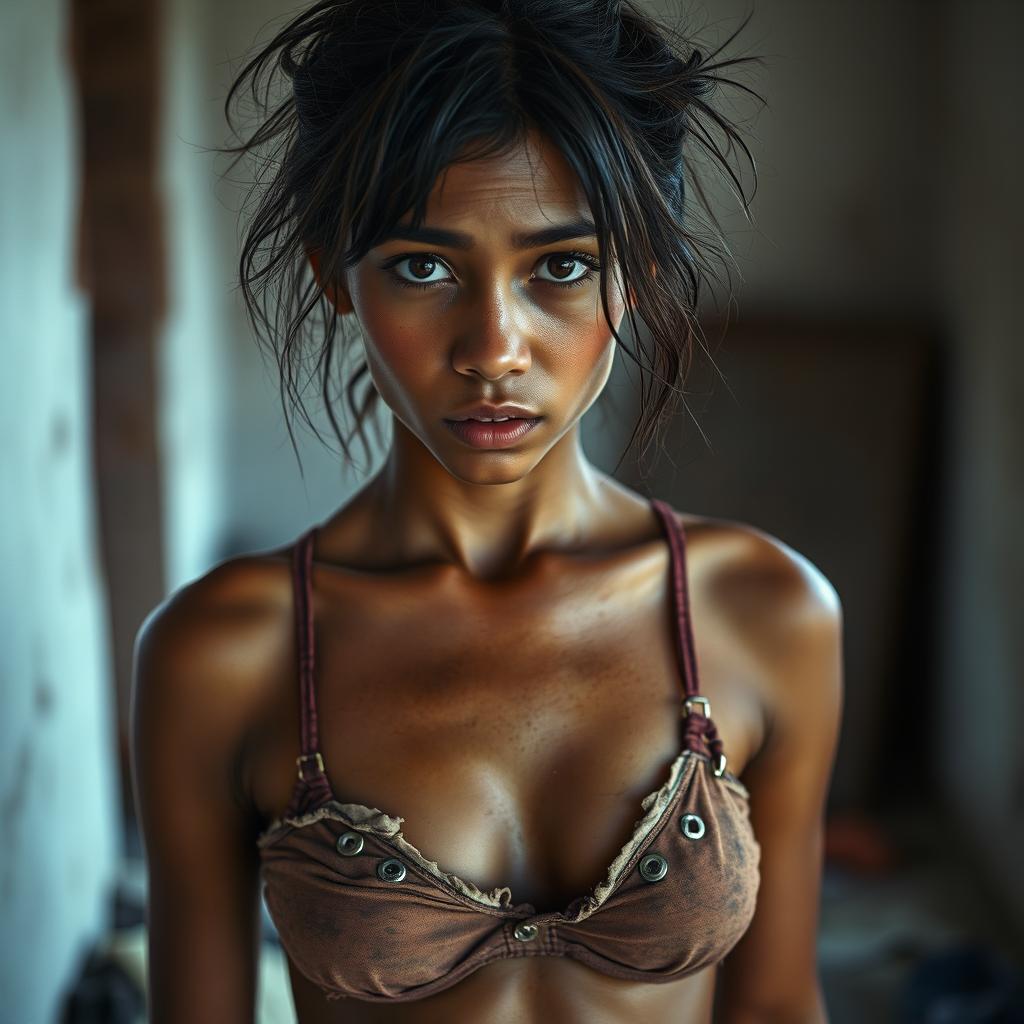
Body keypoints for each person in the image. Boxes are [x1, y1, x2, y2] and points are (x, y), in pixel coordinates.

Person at [131, 1, 844, 1021]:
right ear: (337, 276)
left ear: (636, 273)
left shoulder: (766, 615)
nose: (493, 347)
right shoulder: (224, 654)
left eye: (562, 266)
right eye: (423, 266)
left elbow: (776, 1007)